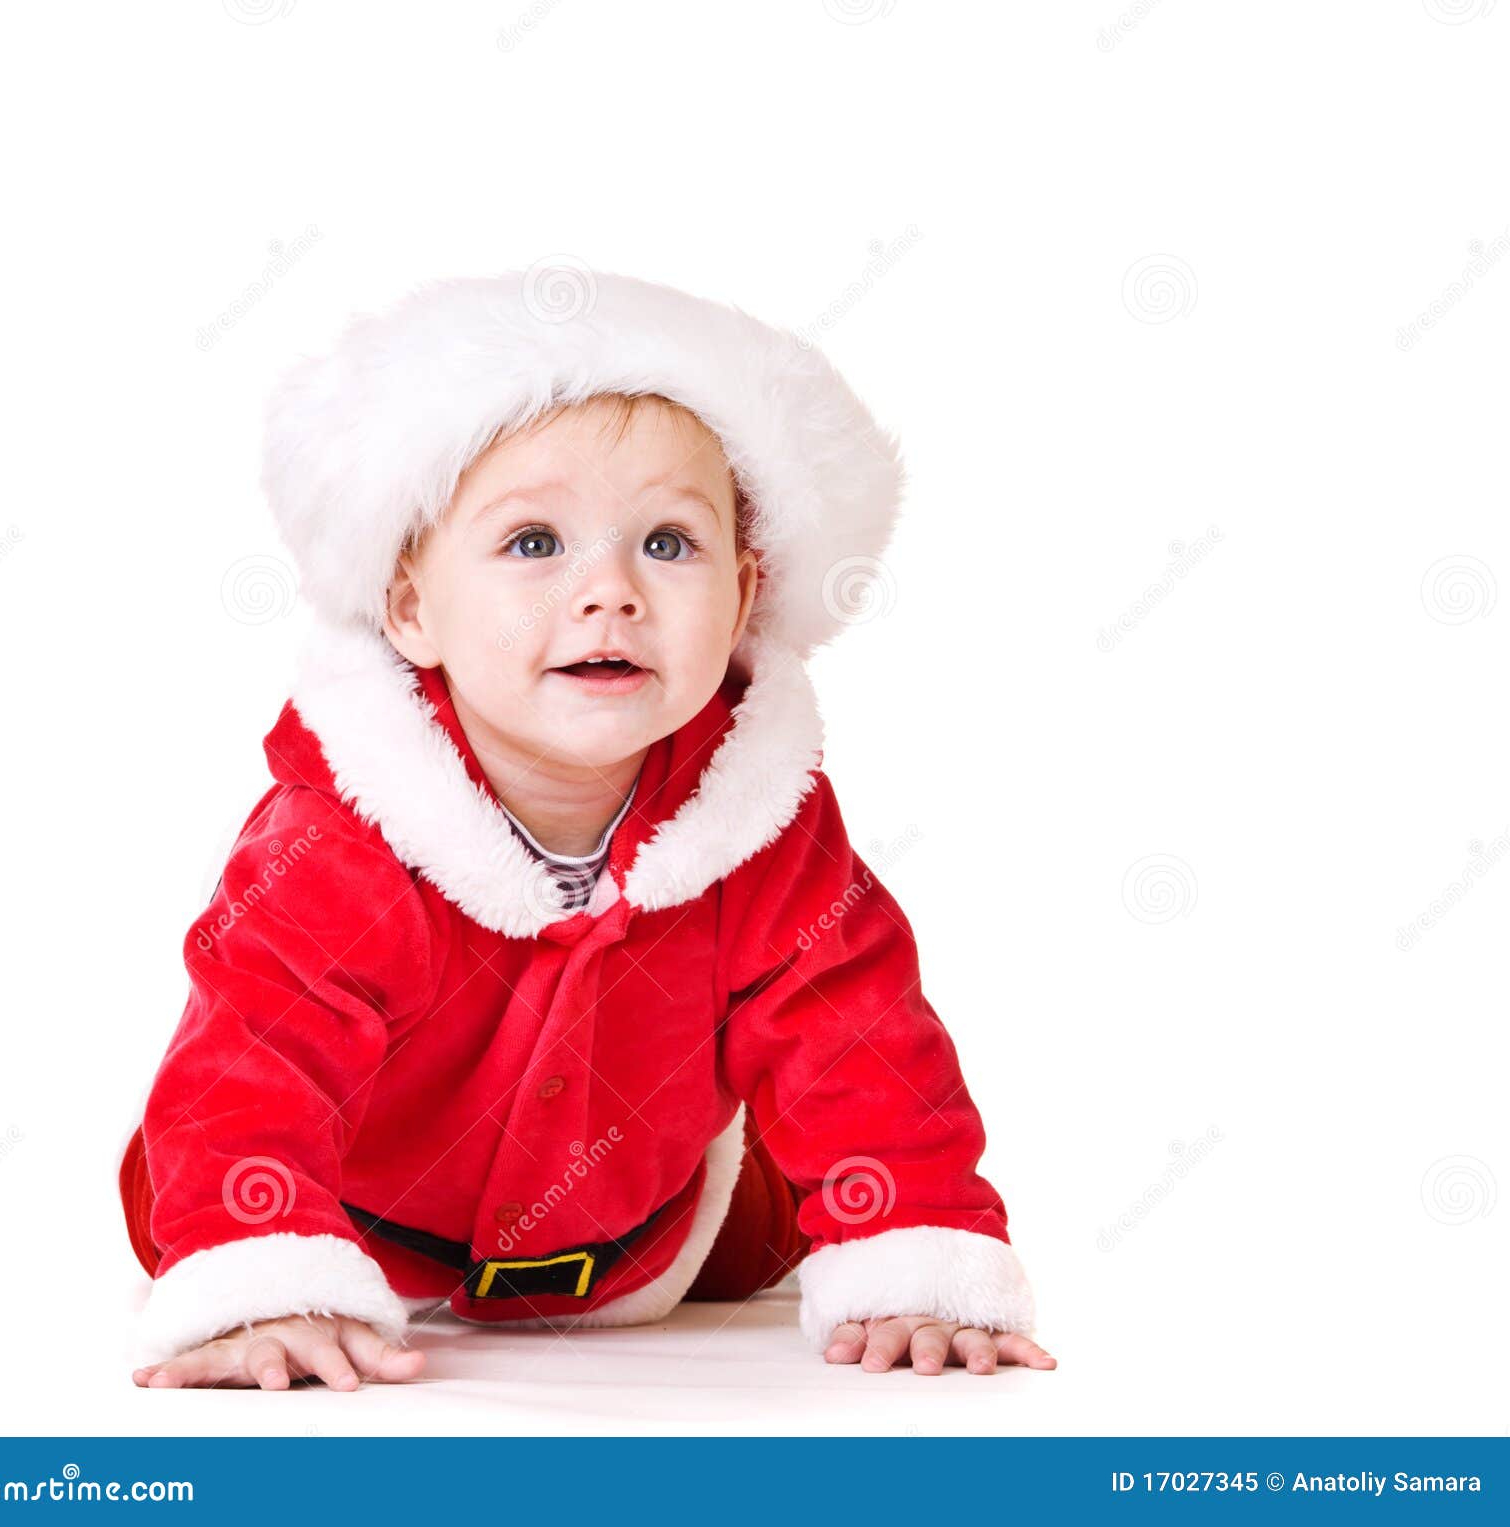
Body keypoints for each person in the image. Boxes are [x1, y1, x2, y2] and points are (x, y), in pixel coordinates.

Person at [120, 271, 1055, 1390]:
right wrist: (253, 1273)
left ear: (745, 599)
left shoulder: (761, 818)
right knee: (214, 1170)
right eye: (531, 544)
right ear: (410, 604)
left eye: (668, 544)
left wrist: (915, 1256)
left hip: (661, 1228)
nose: (609, 591)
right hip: (367, 1225)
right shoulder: (340, 835)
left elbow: (854, 1029)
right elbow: (257, 1050)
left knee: (785, 1213)